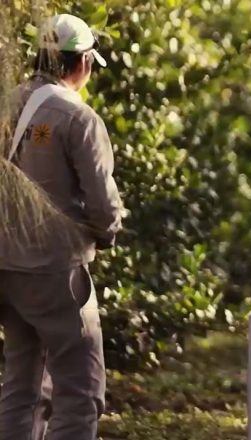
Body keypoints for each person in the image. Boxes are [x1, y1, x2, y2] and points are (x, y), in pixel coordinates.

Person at [0, 14, 122, 440]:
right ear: (83, 62)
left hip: (6, 269)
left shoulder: (6, 103)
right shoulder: (77, 117)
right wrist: (106, 235)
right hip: (55, 271)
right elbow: (104, 205)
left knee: (21, 385)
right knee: (80, 391)